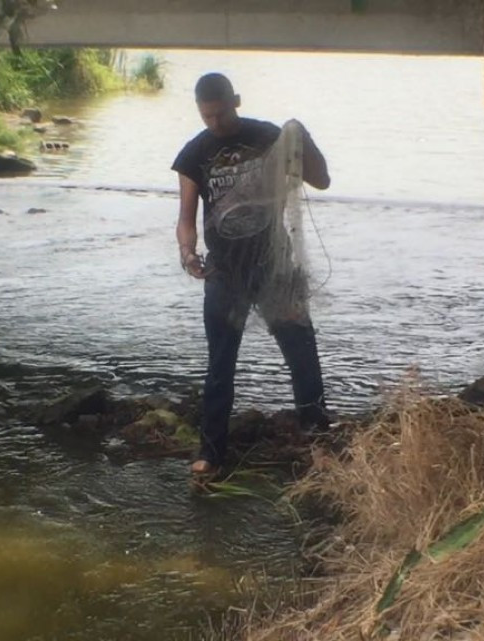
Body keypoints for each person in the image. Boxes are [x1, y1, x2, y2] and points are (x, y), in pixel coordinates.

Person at [172, 72, 332, 478]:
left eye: (221, 114)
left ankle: (319, 443)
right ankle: (211, 451)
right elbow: (186, 219)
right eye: (207, 116)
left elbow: (321, 180)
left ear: (235, 101)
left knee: (302, 354)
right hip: (224, 272)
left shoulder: (268, 137)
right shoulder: (195, 153)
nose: (215, 124)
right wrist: (188, 253)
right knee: (220, 364)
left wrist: (302, 139)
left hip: (274, 265)